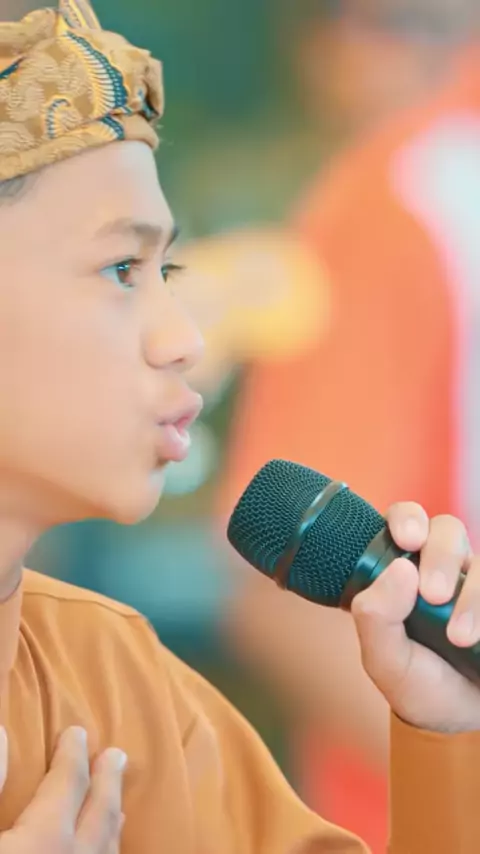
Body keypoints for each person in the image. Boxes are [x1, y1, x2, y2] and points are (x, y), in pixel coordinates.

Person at [1, 1, 480, 852]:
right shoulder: (415, 193)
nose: (185, 337)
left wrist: (444, 736)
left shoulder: (121, 686)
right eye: (121, 268)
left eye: (169, 268)